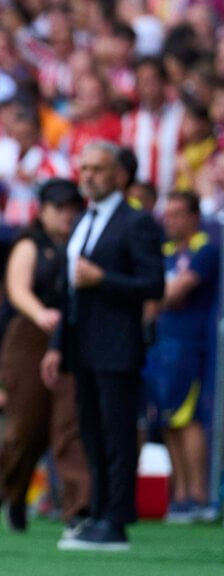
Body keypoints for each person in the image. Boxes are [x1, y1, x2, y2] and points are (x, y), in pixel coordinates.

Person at [42, 141, 164, 551]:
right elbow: (71, 293)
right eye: (84, 167)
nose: (88, 175)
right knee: (91, 433)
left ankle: (116, 519)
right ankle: (97, 510)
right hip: (81, 344)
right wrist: (57, 344)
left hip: (116, 344)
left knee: (116, 434)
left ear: (119, 175)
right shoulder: (83, 221)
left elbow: (154, 284)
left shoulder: (136, 223)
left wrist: (104, 280)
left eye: (97, 168)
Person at [0, 178, 90, 533]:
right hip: (31, 335)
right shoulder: (30, 242)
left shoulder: (81, 242)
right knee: (25, 427)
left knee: (70, 424)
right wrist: (39, 314)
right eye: (59, 208)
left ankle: (77, 508)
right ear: (43, 210)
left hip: (70, 335)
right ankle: (15, 493)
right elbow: (17, 288)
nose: (67, 215)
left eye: (72, 208)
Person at [148, 191, 219, 523]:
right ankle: (180, 496)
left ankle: (199, 495)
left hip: (190, 345)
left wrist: (154, 294)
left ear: (193, 216)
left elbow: (172, 293)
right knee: (166, 420)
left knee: (187, 419)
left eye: (178, 213)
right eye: (168, 213)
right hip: (162, 345)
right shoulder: (164, 252)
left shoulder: (205, 249)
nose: (170, 220)